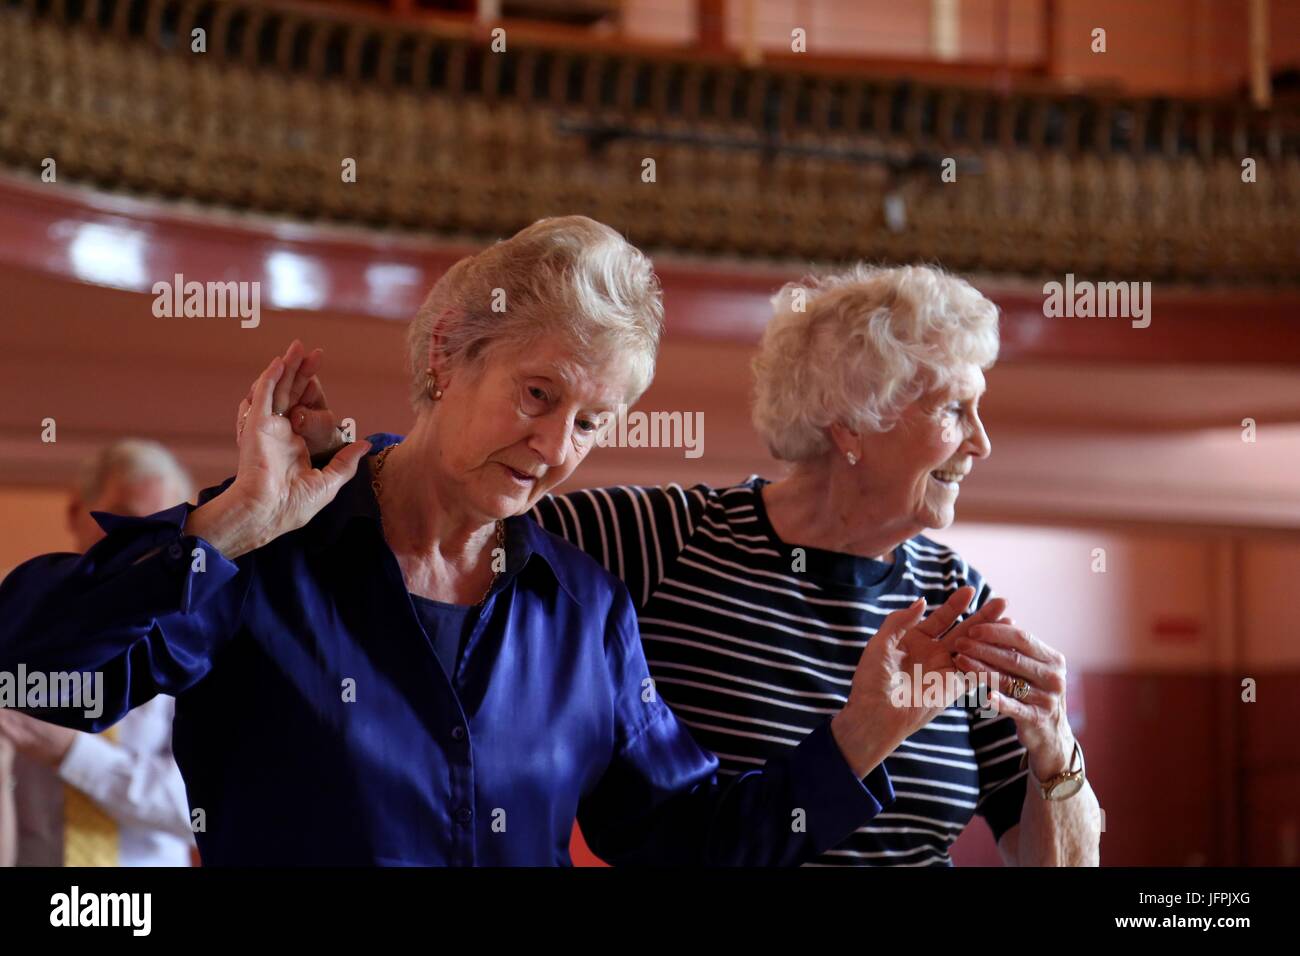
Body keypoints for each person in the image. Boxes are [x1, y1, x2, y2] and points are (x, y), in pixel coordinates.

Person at [0, 218, 998, 866]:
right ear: (448, 355)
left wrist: (863, 729)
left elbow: (684, 838)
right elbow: (31, 676)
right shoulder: (267, 552)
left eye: (592, 421)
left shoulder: (586, 609)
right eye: (537, 392)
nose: (556, 445)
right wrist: (230, 523)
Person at [292, 262, 1101, 866]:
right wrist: (332, 474)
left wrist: (1056, 750)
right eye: (955, 408)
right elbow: (452, 518)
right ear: (854, 422)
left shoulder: (958, 600)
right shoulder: (649, 539)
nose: (981, 441)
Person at [0, 440, 195, 867]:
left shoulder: (197, 640)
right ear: (76, 511)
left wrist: (72, 753)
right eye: (123, 518)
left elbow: (197, 810)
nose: (142, 541)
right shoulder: (12, 620)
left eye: (161, 525)